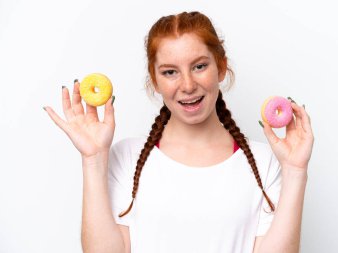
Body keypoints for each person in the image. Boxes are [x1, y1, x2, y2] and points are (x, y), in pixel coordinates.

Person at [44, 11, 314, 253]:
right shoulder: (127, 157)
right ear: (155, 80)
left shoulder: (263, 162)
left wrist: (295, 171)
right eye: (170, 72)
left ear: (221, 67)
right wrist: (93, 159)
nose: (187, 85)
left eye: (199, 66)